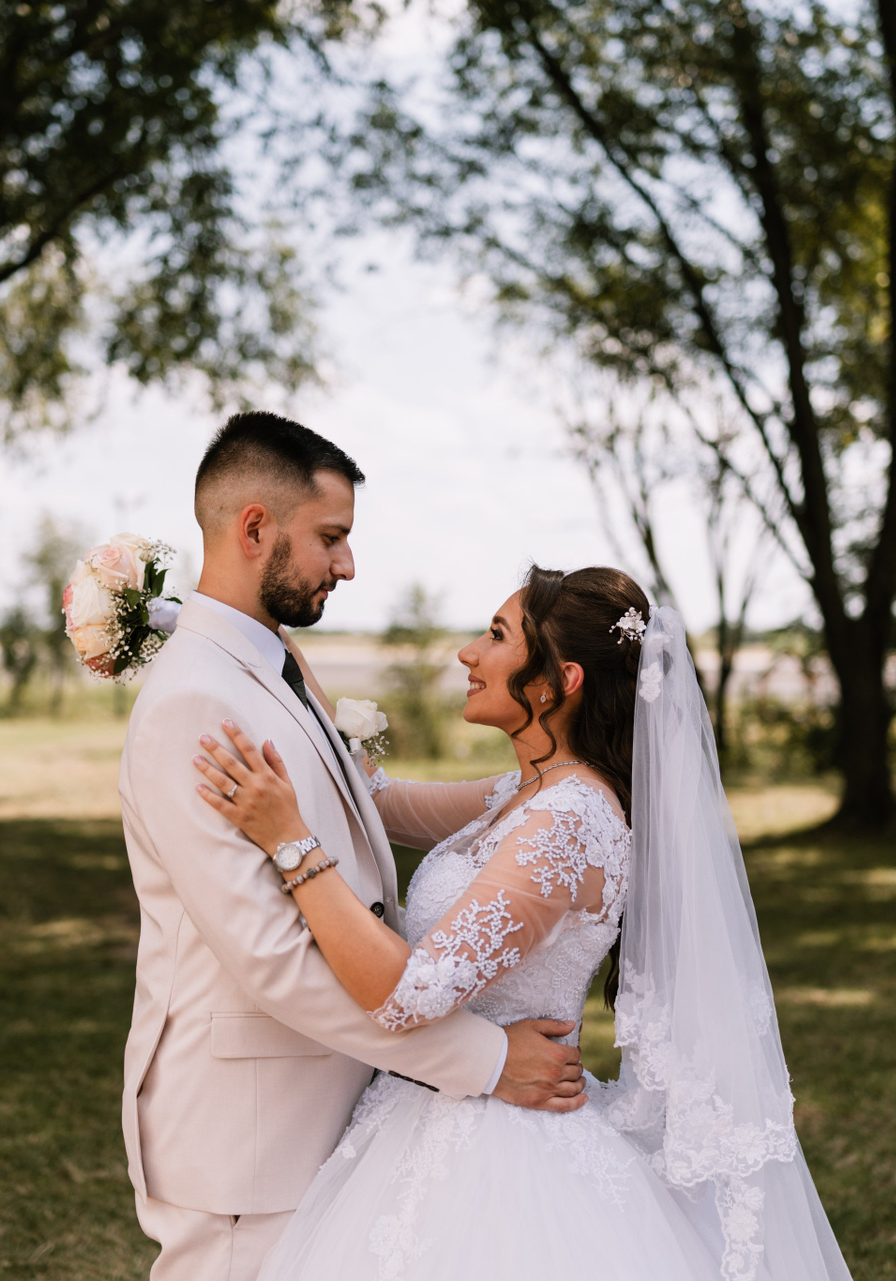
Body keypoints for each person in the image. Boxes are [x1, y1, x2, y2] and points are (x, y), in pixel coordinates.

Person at [193, 565, 856, 1281]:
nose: (468, 653)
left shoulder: (568, 821)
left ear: (556, 682)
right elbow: (377, 800)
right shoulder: (530, 789)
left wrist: (290, 842)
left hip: (499, 1154)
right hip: (438, 1109)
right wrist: (267, 639)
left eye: (496, 635)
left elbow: (409, 993)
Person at [117, 412, 586, 1281]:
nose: (349, 563)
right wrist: (486, 1060)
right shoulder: (195, 702)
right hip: (248, 1139)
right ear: (255, 529)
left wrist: (568, 785)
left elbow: (371, 805)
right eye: (330, 537)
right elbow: (274, 961)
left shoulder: (277, 663)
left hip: (333, 1111)